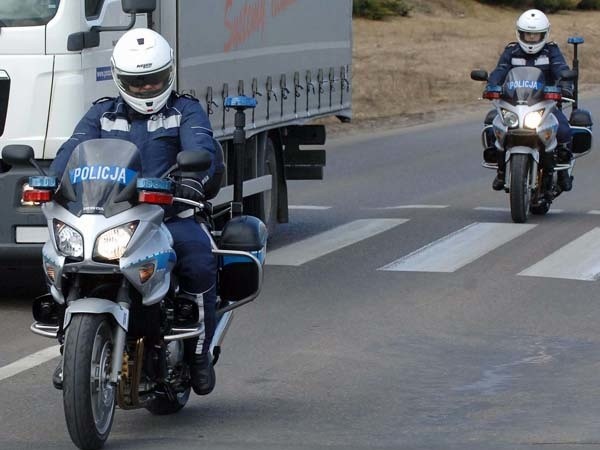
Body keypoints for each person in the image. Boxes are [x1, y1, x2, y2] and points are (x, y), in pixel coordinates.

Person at [49, 28, 224, 396]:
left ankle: (198, 352)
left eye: (153, 80)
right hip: (112, 217)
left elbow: (202, 147)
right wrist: (49, 181)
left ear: (169, 73)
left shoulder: (185, 111)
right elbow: (73, 149)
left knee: (199, 260)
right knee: (60, 258)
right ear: (120, 79)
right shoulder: (101, 113)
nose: (146, 89)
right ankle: (71, 347)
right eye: (136, 82)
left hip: (171, 216)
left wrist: (196, 180)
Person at [484, 9, 574, 192]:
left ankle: (563, 171)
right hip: (514, 104)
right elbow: (500, 71)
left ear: (544, 34)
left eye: (536, 35)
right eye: (528, 34)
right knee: (492, 124)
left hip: (545, 105)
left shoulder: (552, 52)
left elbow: (561, 70)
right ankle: (500, 170)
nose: (531, 39)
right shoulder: (511, 51)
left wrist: (565, 86)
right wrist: (491, 86)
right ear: (520, 33)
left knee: (564, 129)